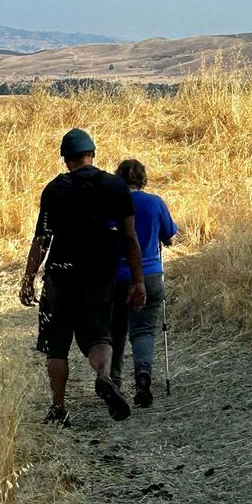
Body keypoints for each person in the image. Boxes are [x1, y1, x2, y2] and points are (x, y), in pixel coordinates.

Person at [19, 128, 146, 427]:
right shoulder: (116, 187)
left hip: (60, 275)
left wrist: (28, 278)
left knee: (58, 344)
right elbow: (130, 238)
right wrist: (138, 280)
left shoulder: (54, 190)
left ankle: (59, 408)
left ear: (66, 160)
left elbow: (42, 239)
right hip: (101, 274)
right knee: (100, 337)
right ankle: (103, 377)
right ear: (93, 155)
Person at [110, 159, 178, 407]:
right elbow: (169, 235)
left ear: (119, 179)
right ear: (143, 179)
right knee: (143, 331)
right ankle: (143, 374)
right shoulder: (155, 202)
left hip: (117, 276)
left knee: (115, 331)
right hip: (150, 275)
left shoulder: (113, 204)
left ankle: (113, 382)